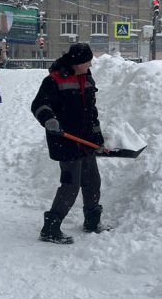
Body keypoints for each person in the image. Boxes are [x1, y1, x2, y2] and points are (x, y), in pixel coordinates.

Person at [31, 42, 108, 243]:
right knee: (70, 185)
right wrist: (49, 119)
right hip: (65, 140)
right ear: (77, 62)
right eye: (87, 61)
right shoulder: (54, 80)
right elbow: (39, 105)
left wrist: (97, 138)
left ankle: (92, 221)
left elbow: (92, 113)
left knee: (92, 181)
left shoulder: (87, 78)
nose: (90, 65)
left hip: (85, 140)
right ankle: (50, 227)